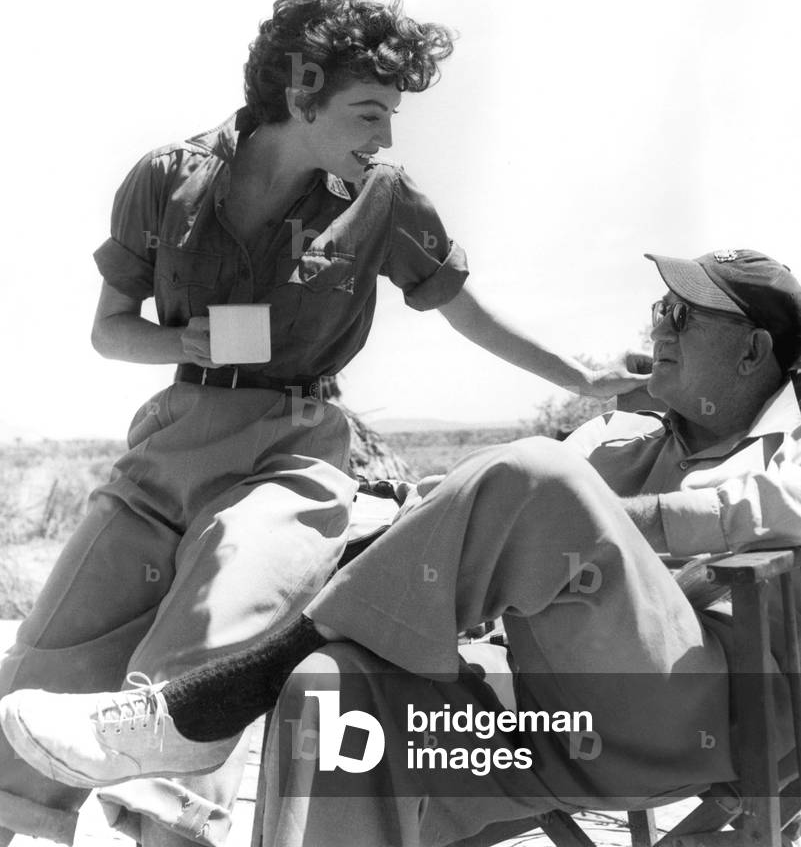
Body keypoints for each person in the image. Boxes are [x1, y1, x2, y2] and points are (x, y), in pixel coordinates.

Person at [0, 0, 646, 846]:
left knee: (220, 618)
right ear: (302, 94)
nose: (384, 138)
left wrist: (586, 378)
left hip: (294, 447)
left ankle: (171, 809)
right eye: (369, 112)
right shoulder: (165, 179)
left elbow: (463, 309)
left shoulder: (383, 198)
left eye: (391, 118)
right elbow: (111, 334)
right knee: (41, 676)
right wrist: (183, 346)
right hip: (171, 442)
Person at [4, 248, 801, 847]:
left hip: (702, 714)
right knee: (330, 681)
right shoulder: (616, 435)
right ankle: (221, 701)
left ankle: (203, 706)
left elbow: (761, 506)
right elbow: (467, 511)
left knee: (538, 474)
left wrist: (609, 513)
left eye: (681, 316)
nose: (655, 329)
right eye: (657, 310)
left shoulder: (788, 449)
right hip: (546, 708)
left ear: (752, 350)